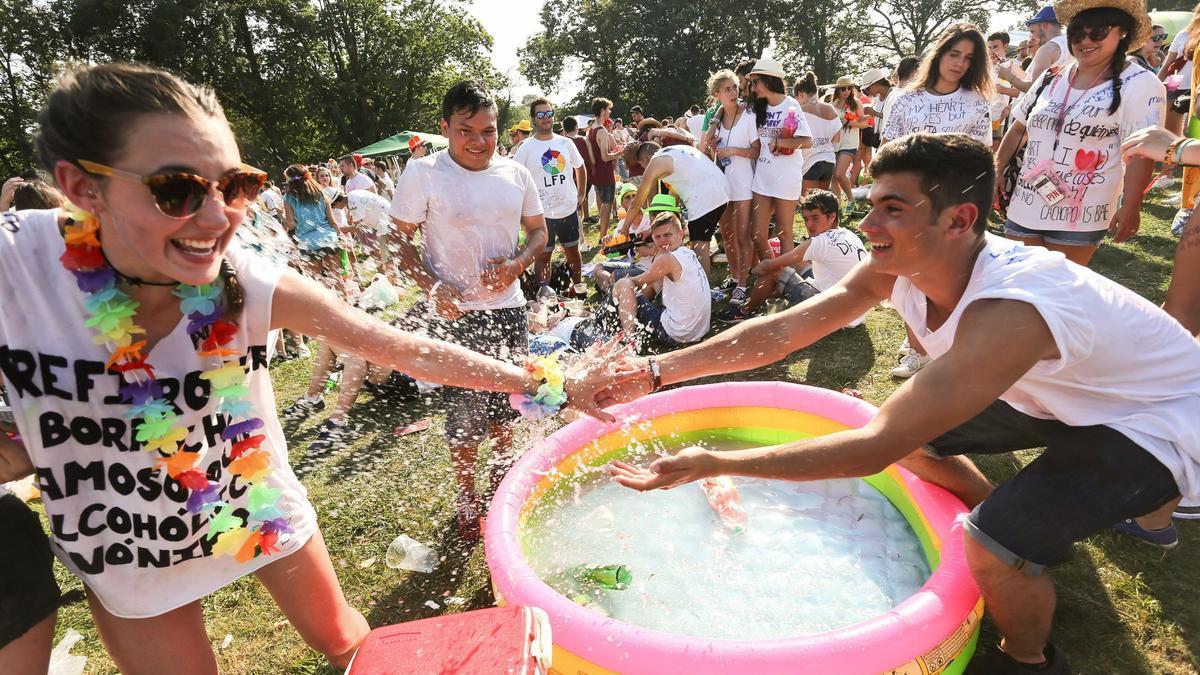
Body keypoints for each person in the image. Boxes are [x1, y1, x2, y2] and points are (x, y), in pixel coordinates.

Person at [0, 62, 623, 674]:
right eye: (178, 191)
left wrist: (550, 383)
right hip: (126, 536)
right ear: (84, 187)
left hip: (253, 498)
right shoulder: (15, 260)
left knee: (351, 642)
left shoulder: (244, 275)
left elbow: (396, 347)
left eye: (235, 186)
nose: (219, 221)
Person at [604, 133, 1200, 675]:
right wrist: (655, 371)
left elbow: (876, 447)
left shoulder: (1012, 310)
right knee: (934, 450)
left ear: (959, 220)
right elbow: (784, 333)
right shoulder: (900, 268)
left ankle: (1027, 656)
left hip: (1154, 418)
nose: (869, 224)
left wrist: (718, 464)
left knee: (991, 543)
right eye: (872, 205)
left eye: (893, 209)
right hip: (1063, 390)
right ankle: (1029, 530)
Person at [389, 80, 551, 541]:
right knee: (463, 413)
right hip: (454, 315)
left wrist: (519, 263)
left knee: (509, 404)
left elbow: (539, 233)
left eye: (489, 131)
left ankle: (501, 486)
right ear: (445, 128)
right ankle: (465, 495)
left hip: (508, 309)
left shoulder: (516, 173)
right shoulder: (423, 172)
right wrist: (431, 286)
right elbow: (395, 239)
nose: (480, 142)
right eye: (467, 131)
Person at [993, 0, 1163, 266]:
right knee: (1020, 285)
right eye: (1076, 33)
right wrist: (997, 169)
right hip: (1026, 201)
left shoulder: (1140, 84)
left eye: (1098, 31)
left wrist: (1131, 204)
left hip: (1082, 214)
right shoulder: (1051, 77)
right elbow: (1017, 129)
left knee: (1056, 290)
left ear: (1123, 32)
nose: (1085, 40)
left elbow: (1142, 151)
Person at [719, 190, 867, 326]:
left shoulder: (820, 242)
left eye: (815, 218)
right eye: (806, 219)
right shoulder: (850, 234)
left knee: (774, 271)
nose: (809, 225)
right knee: (798, 264)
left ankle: (744, 312)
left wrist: (753, 270)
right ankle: (773, 296)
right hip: (857, 313)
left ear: (832, 216)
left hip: (836, 317)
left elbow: (770, 266)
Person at [618, 141, 729, 275]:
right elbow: (672, 202)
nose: (645, 171)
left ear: (645, 159)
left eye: (642, 167)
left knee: (699, 246)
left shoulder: (655, 162)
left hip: (703, 197)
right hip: (724, 188)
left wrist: (624, 229)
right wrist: (652, 228)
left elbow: (636, 203)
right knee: (722, 238)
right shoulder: (675, 154)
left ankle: (700, 288)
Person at [513, 97, 588, 290]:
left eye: (549, 113)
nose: (546, 118)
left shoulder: (565, 143)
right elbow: (516, 179)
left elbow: (580, 167)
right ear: (533, 119)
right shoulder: (526, 148)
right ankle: (543, 293)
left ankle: (579, 287)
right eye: (541, 114)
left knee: (572, 251)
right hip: (541, 214)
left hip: (568, 210)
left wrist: (581, 196)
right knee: (543, 255)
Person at [881, 23, 994, 146]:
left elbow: (982, 158)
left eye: (969, 58)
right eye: (954, 54)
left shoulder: (979, 103)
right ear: (939, 53)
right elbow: (884, 153)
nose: (960, 63)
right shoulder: (905, 100)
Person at [610, 212, 711, 350]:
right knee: (654, 281)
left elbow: (635, 283)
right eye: (657, 237)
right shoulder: (689, 253)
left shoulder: (666, 259)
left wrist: (619, 286)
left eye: (667, 235)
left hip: (675, 334)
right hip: (698, 331)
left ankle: (629, 341)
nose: (662, 241)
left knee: (625, 284)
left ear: (680, 234)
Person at [701, 68, 760, 303]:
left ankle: (744, 284)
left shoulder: (749, 115)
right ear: (717, 94)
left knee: (743, 235)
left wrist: (733, 151)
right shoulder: (716, 118)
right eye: (727, 89)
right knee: (726, 233)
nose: (733, 92)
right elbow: (706, 146)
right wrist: (715, 143)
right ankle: (734, 275)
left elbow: (756, 150)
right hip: (723, 184)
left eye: (735, 87)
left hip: (744, 183)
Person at [747, 56, 813, 263]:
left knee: (784, 233)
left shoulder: (790, 105)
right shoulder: (756, 106)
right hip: (762, 178)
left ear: (769, 80)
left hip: (786, 178)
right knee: (758, 235)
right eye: (751, 83)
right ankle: (776, 272)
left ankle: (788, 280)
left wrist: (780, 143)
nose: (753, 87)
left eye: (756, 82)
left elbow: (807, 141)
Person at [282, 164, 349, 293]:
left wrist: (284, 219)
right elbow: (332, 221)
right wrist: (340, 235)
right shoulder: (320, 192)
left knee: (317, 281)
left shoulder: (288, 198)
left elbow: (291, 224)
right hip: (328, 238)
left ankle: (328, 308)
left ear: (290, 180)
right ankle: (346, 303)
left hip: (307, 243)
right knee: (336, 276)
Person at [1000, 6, 1071, 92]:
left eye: (1032, 31)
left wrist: (1009, 76)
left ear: (1044, 25)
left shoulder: (1048, 49)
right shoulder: (1072, 44)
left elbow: (1033, 89)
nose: (1032, 37)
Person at [797, 73, 842, 195]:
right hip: (829, 160)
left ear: (800, 94)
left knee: (809, 204)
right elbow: (837, 138)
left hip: (810, 161)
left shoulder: (800, 110)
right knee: (823, 204)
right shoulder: (830, 108)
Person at [587, 99, 624, 240]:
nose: (610, 112)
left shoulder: (591, 130)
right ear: (602, 111)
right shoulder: (601, 131)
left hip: (597, 172)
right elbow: (605, 157)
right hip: (605, 172)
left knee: (603, 204)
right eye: (608, 109)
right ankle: (603, 235)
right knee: (607, 204)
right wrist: (620, 153)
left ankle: (602, 234)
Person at [831, 76, 869, 209]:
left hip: (850, 143)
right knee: (833, 178)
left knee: (839, 173)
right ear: (837, 90)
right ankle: (836, 206)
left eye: (849, 88)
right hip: (834, 144)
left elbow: (866, 123)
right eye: (843, 89)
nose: (846, 91)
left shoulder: (856, 103)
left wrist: (849, 122)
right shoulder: (832, 104)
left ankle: (851, 200)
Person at [1160, 6, 1199, 135]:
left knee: (1190, 131)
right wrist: (1155, 85)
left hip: (1196, 87)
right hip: (1175, 81)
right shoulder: (1183, 34)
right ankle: (1170, 154)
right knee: (1169, 131)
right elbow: (1167, 65)